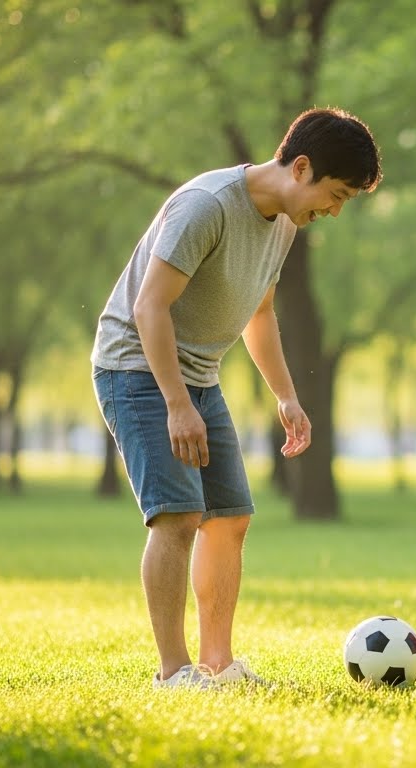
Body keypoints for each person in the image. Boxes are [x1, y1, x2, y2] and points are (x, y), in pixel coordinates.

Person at [91, 107, 382, 689]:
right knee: (177, 518)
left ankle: (217, 666)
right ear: (301, 167)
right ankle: (173, 672)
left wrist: (287, 396)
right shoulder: (208, 206)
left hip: (198, 373)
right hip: (137, 366)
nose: (334, 210)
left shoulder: (283, 224)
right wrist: (177, 403)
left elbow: (261, 312)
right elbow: (150, 308)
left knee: (230, 518)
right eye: (337, 194)